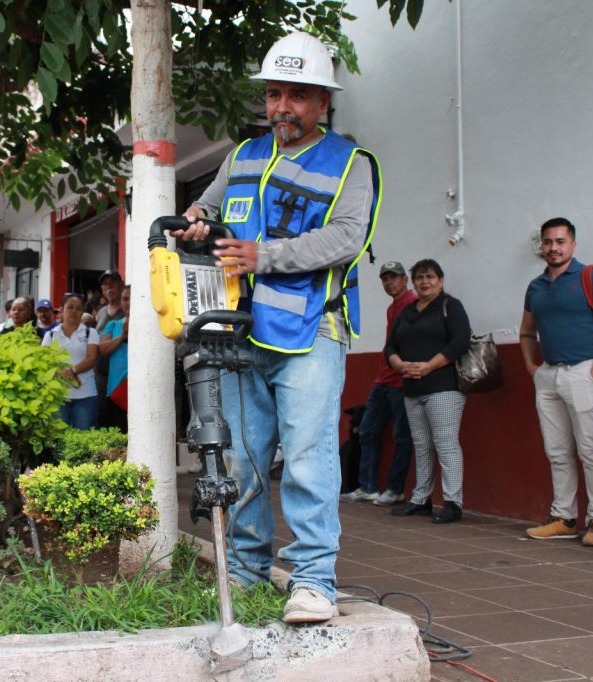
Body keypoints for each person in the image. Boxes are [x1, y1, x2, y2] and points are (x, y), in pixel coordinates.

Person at [177, 32, 382, 622]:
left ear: (323, 102)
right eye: (273, 94)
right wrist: (195, 219)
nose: (282, 107)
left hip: (311, 331)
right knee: (242, 460)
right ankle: (246, 573)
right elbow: (208, 205)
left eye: (296, 95)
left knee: (309, 458)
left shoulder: (351, 164)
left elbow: (347, 238)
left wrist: (262, 256)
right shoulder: (243, 155)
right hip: (238, 332)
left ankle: (313, 581)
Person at [520, 217, 593, 547]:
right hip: (548, 375)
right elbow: (526, 331)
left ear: (573, 244)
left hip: (584, 372)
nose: (554, 247)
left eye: (560, 241)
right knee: (556, 450)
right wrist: (531, 366)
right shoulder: (536, 287)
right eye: (548, 242)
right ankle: (564, 518)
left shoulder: (590, 277)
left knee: (590, 449)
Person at [384, 259, 470, 524]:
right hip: (412, 388)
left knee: (445, 444)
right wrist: (399, 364)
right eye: (420, 277)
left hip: (443, 387)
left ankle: (453, 502)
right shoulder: (407, 312)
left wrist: (429, 366)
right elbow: (391, 347)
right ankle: (421, 499)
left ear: (440, 281)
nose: (425, 282)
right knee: (421, 446)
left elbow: (460, 342)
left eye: (430, 276)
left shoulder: (450, 306)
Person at [341, 261, 417, 506]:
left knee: (402, 436)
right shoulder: (393, 307)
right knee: (367, 431)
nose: (389, 282)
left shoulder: (413, 303)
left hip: (401, 380)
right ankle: (368, 487)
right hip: (383, 379)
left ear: (405, 280)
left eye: (394, 277)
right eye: (385, 279)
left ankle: (395, 489)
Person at [42, 294, 100, 430]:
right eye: (70, 307)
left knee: (84, 437)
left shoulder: (90, 332)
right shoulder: (51, 335)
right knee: (59, 437)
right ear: (62, 310)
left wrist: (72, 371)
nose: (74, 311)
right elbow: (45, 361)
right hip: (58, 396)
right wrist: (63, 373)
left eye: (79, 309)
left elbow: (92, 358)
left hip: (86, 395)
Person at [94, 270, 125, 428]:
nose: (109, 287)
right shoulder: (100, 312)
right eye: (105, 284)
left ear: (121, 285)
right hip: (101, 374)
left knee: (120, 418)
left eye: (112, 282)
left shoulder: (127, 310)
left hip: (120, 375)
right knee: (102, 416)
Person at [99, 285, 131, 433]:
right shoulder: (113, 324)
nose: (128, 302)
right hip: (117, 389)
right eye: (125, 299)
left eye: (132, 298)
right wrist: (121, 337)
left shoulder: (148, 326)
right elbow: (103, 348)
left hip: (139, 388)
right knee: (120, 432)